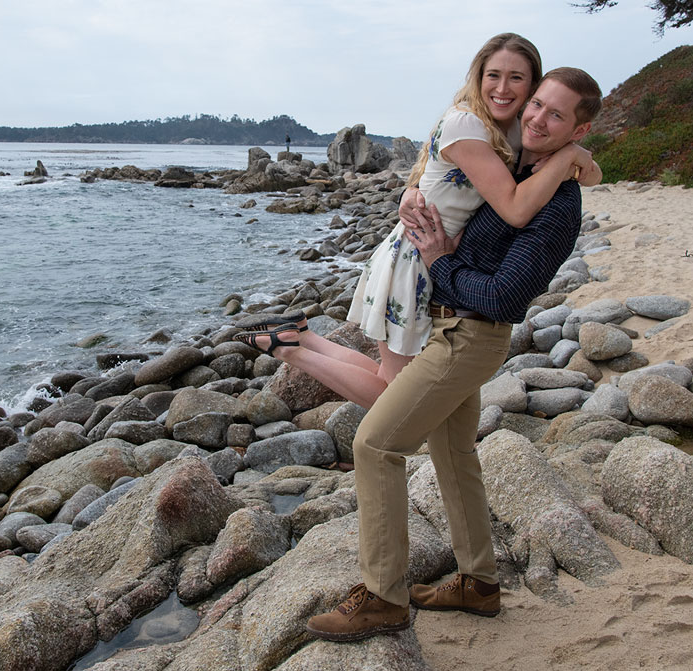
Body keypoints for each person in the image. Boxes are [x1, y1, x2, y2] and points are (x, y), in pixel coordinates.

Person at [303, 66, 604, 642]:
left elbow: (505, 296)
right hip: (445, 328)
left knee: (374, 446)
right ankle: (479, 582)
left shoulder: (558, 204)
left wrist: (441, 261)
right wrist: (415, 191)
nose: (537, 118)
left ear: (578, 126)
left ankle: (384, 597)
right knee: (453, 453)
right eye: (535, 105)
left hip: (471, 335)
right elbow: (456, 181)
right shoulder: (519, 167)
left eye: (555, 114)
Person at [234, 34, 598, 410]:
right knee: (397, 396)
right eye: (494, 75)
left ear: (533, 85)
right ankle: (290, 349)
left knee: (390, 378)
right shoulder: (467, 125)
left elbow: (592, 175)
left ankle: (302, 338)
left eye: (517, 78)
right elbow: (516, 209)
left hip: (429, 255)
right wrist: (567, 154)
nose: (503, 88)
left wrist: (576, 153)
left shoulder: (516, 126)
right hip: (417, 258)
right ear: (479, 76)